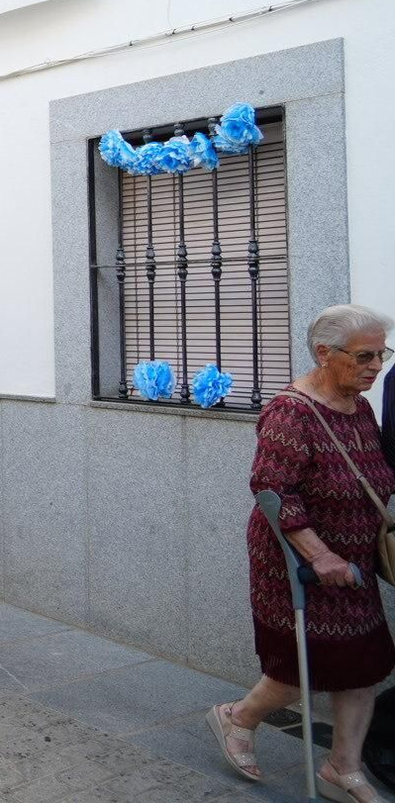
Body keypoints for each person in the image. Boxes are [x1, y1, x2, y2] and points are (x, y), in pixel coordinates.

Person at [210, 305, 394, 802]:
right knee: (300, 667)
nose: (376, 365)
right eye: (364, 356)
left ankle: (342, 767)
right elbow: (272, 490)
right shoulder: (290, 411)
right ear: (324, 354)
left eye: (381, 354)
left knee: (364, 664)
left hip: (353, 563)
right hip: (297, 565)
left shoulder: (361, 405)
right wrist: (319, 557)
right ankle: (237, 717)